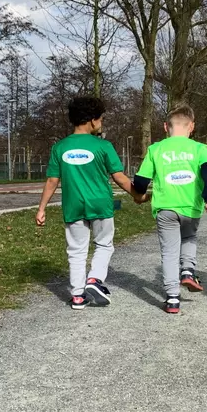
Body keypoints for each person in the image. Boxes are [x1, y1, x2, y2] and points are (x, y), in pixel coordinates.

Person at [36, 96, 141, 310]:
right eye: (101, 118)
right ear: (92, 120)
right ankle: (94, 280)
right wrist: (137, 195)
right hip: (101, 205)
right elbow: (119, 177)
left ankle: (77, 296)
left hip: (73, 206)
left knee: (76, 250)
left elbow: (52, 181)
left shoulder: (60, 147)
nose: (101, 122)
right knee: (104, 244)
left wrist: (41, 208)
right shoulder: (103, 146)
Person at [132, 105, 207, 314]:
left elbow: (141, 180)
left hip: (165, 207)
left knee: (169, 251)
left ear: (165, 127)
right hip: (191, 207)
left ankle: (172, 298)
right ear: (192, 127)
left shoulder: (156, 149)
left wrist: (140, 194)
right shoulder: (199, 149)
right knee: (189, 238)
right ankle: (187, 270)